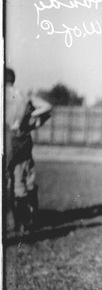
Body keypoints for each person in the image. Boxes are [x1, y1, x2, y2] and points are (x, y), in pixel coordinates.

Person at [4, 67, 52, 233]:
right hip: (20, 140)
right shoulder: (22, 95)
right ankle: (23, 222)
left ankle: (9, 221)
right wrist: (29, 119)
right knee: (20, 181)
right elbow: (47, 107)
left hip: (5, 138)